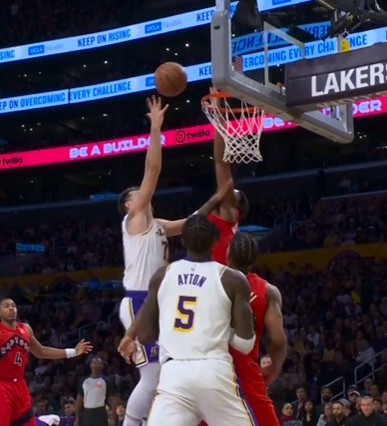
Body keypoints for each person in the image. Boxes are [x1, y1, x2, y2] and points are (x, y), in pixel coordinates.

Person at [117, 96, 230, 426]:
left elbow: (191, 223)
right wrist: (155, 127)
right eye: (136, 194)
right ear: (129, 205)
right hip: (139, 299)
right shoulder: (134, 220)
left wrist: (214, 200)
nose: (142, 195)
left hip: (157, 299)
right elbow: (152, 170)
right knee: (152, 374)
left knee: (165, 370)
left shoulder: (158, 225)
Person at [134, 214, 257, 426]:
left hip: (174, 375)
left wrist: (170, 328)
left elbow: (144, 335)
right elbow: (246, 345)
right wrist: (221, 328)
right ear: (216, 240)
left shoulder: (162, 275)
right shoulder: (232, 278)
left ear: (183, 241)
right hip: (213, 371)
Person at [0, 298, 92, 426]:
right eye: (6, 306)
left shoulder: (26, 329)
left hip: (19, 385)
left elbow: (41, 351)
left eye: (13, 305)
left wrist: (73, 352)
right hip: (0, 385)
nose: (11, 308)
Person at [225, 232, 287, 426]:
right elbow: (278, 340)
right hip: (246, 371)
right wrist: (274, 369)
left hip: (212, 368)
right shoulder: (267, 291)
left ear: (228, 254)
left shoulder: (213, 283)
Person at [207, 87, 249, 266]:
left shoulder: (228, 210)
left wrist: (218, 112)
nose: (228, 189)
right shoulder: (226, 213)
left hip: (219, 272)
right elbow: (221, 162)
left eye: (233, 192)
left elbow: (221, 162)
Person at [75, 357, 118, 426]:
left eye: (99, 363)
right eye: (94, 363)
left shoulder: (106, 381)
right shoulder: (84, 381)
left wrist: (113, 416)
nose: (96, 365)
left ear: (102, 366)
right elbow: (79, 399)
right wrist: (77, 416)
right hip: (86, 412)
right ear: (90, 365)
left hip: (100, 413)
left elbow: (113, 400)